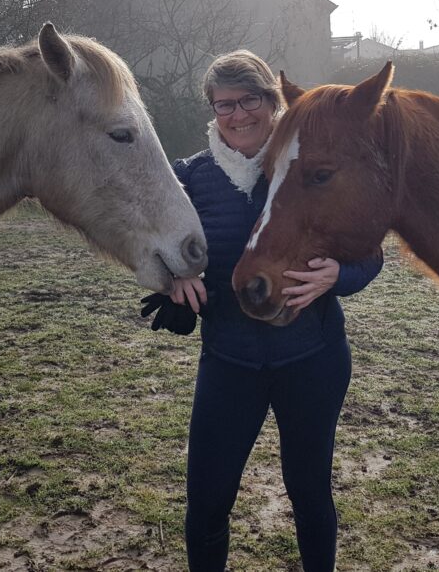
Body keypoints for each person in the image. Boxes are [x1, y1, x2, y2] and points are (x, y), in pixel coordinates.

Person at [141, 50, 383, 571]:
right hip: (229, 363)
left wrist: (340, 276)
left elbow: (371, 254)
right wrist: (174, 286)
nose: (238, 114)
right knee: (207, 500)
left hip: (312, 359)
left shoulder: (309, 166)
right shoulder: (190, 180)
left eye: (250, 99)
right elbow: (159, 252)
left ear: (273, 102)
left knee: (310, 492)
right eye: (223, 104)